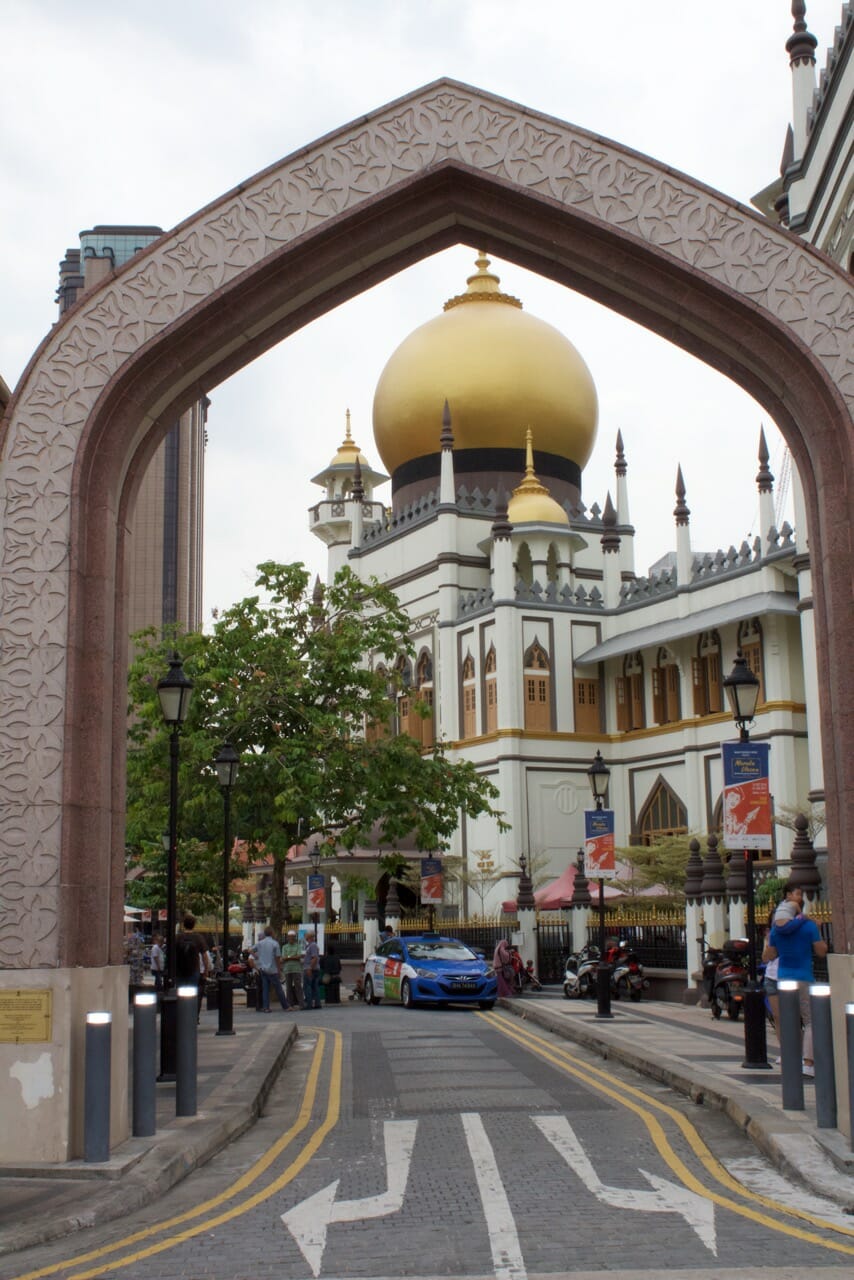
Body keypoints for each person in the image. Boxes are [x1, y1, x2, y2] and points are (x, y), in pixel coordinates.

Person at [764, 881, 828, 1076]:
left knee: (789, 1019)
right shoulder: (808, 927)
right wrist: (819, 934)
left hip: (783, 979)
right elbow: (821, 952)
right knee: (810, 1020)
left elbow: (770, 955)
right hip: (802, 977)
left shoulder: (775, 931)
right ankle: (808, 1063)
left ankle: (791, 1059)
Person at [175, 914, 210, 1019]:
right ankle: (192, 1016)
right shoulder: (198, 938)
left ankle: (182, 1016)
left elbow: (171, 954)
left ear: (183, 925)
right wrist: (206, 970)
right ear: (193, 925)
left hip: (179, 971)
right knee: (193, 994)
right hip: (194, 970)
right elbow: (204, 956)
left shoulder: (178, 937)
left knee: (180, 994)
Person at [252, 926, 290, 1012]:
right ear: (272, 933)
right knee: (278, 988)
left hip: (263, 968)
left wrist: (256, 956)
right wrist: (279, 969)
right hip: (272, 969)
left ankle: (266, 1007)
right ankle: (285, 1006)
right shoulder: (275, 943)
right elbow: (277, 958)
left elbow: (250, 950)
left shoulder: (260, 943)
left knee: (265, 989)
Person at [281, 929, 304, 1010]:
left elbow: (299, 956)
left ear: (295, 938)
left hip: (296, 969)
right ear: (287, 938)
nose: (291, 939)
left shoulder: (298, 946)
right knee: (288, 987)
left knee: (298, 986)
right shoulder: (284, 947)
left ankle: (301, 1004)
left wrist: (288, 957)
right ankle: (290, 1004)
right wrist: (292, 957)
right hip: (287, 969)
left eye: (292, 937)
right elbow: (283, 958)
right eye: (289, 937)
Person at [302, 929, 322, 1009]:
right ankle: (316, 1003)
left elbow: (314, 958)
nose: (305, 937)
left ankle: (309, 1003)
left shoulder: (312, 945)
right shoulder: (310, 945)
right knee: (314, 986)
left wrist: (310, 967)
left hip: (310, 969)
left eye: (306, 935)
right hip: (312, 968)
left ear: (309, 936)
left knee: (307, 986)